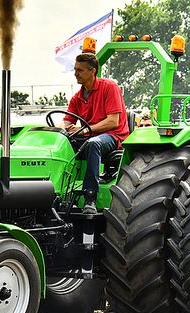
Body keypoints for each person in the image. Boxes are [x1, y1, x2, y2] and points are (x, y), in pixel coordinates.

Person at [56, 53, 129, 214]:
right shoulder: (77, 97)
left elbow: (113, 122)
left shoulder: (109, 88)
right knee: (61, 143)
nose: (75, 73)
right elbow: (67, 121)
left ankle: (90, 197)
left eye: (80, 70)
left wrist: (85, 130)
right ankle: (59, 194)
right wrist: (55, 133)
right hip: (89, 135)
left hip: (113, 136)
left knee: (93, 144)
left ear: (93, 71)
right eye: (75, 69)